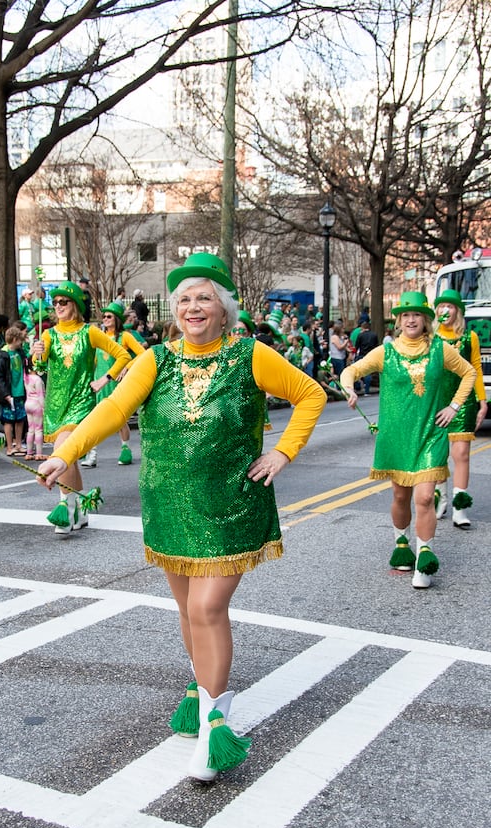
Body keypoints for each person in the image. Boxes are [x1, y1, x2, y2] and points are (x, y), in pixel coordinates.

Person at [36, 253, 326, 781]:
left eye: (205, 297)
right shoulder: (155, 359)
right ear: (176, 311)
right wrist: (66, 451)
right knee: (189, 609)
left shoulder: (250, 355)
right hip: (169, 503)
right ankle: (200, 687)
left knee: (209, 607)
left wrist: (283, 452)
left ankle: (216, 722)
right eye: (185, 299)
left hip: (231, 505)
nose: (194, 306)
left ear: (224, 310)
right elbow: (113, 410)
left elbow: (310, 393)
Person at [340, 291, 476, 589]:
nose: (411, 320)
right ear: (399, 321)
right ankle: (402, 544)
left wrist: (453, 407)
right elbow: (351, 370)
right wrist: (350, 388)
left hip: (430, 434)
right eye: (405, 315)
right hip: (396, 437)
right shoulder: (385, 352)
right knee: (401, 497)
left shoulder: (441, 349)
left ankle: (425, 557)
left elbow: (469, 373)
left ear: (426, 320)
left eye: (416, 315)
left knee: (424, 497)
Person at [31, 280, 130, 535]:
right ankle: (80, 509)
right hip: (55, 405)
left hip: (81, 403)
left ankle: (64, 506)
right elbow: (40, 368)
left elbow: (123, 355)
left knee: (63, 450)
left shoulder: (89, 332)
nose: (58, 306)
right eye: (55, 302)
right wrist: (37, 353)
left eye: (64, 301)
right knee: (70, 458)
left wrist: (104, 378)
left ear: (74, 305)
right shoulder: (48, 334)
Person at [433, 289, 488, 527]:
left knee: (461, 454)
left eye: (450, 306)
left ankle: (459, 506)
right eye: (441, 306)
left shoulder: (470, 337)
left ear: (458, 311)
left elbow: (475, 368)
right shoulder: (430, 338)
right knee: (437, 454)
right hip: (436, 401)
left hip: (463, 401)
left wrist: (482, 400)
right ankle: (440, 498)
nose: (445, 310)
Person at [81, 301, 145, 468]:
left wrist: (127, 367)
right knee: (94, 418)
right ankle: (92, 453)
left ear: (116, 319)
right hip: (99, 383)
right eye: (103, 316)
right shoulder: (99, 336)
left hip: (116, 385)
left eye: (109, 316)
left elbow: (143, 354)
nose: (105, 319)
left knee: (119, 419)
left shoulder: (125, 336)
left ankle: (126, 449)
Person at [0, 325, 28, 456]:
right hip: (9, 393)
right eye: (20, 340)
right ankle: (9, 446)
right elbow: (0, 377)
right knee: (8, 420)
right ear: (14, 339)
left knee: (20, 418)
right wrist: (6, 394)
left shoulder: (20, 353)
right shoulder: (4, 355)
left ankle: (18, 444)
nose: (21, 343)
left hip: (20, 391)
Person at [23, 369, 46, 461]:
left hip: (28, 403)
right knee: (38, 429)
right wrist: (44, 407)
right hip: (36, 404)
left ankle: (29, 452)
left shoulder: (26, 378)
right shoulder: (37, 379)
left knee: (31, 429)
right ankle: (39, 453)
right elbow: (40, 395)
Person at [353, 319, 379, 394]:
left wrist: (355, 355)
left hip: (362, 354)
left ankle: (361, 386)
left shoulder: (360, 335)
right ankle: (367, 388)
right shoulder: (374, 335)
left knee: (361, 371)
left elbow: (357, 346)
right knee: (368, 372)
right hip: (371, 355)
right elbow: (376, 345)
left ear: (362, 327)